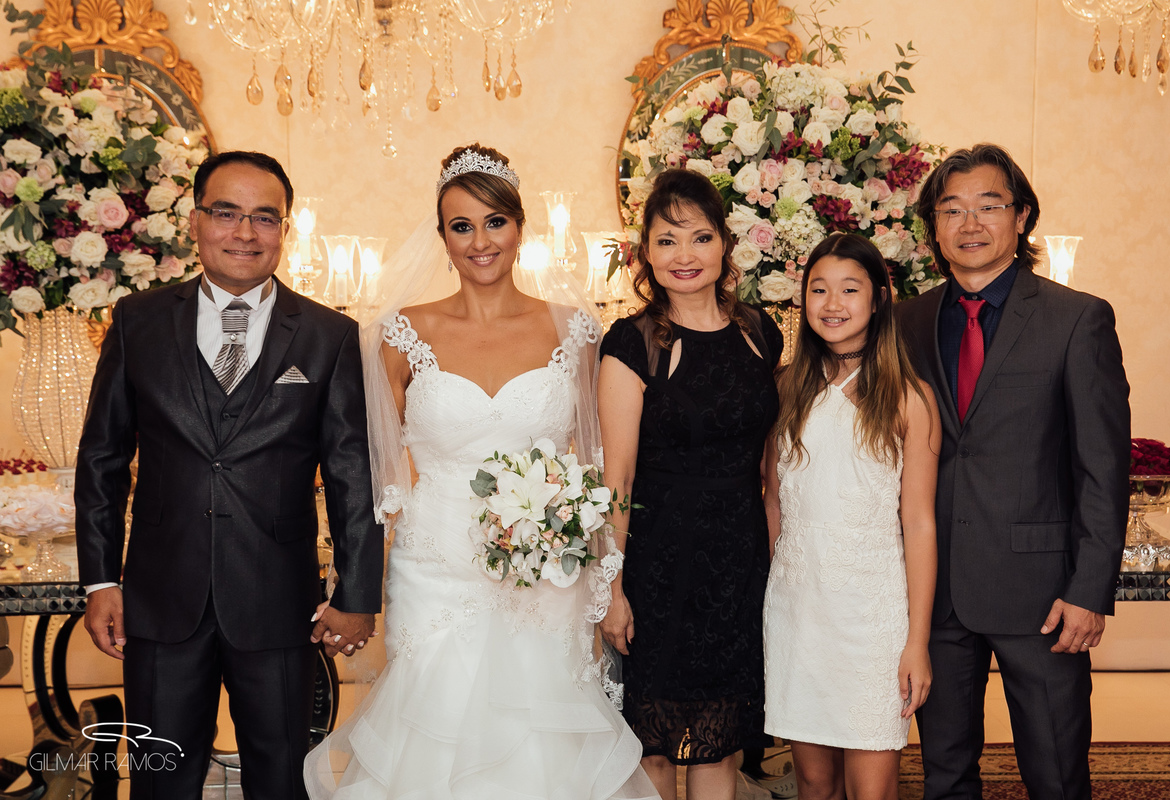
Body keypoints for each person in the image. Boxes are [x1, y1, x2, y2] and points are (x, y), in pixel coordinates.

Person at [303, 144, 657, 799]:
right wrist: (355, 584)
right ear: (441, 238)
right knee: (433, 722)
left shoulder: (577, 331)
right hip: (435, 566)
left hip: (549, 567)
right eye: (461, 226)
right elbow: (376, 474)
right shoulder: (399, 333)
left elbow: (595, 464)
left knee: (542, 733)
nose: (480, 241)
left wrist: (608, 574)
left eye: (495, 221)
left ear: (519, 228)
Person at [75, 150, 384, 799]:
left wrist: (358, 593)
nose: (245, 233)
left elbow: (354, 473)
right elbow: (102, 458)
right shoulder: (137, 321)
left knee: (280, 777)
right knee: (163, 779)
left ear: (284, 230)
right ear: (195, 222)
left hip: (278, 600)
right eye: (227, 213)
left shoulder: (329, 336)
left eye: (264, 218)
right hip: (160, 598)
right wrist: (102, 578)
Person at [895, 143, 1130, 800]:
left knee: (1055, 774)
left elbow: (1102, 466)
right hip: (933, 592)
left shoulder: (1075, 319)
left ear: (1021, 217)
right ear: (934, 228)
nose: (971, 224)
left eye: (989, 206)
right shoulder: (904, 322)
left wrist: (1090, 588)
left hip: (1043, 596)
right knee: (942, 774)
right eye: (952, 209)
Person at [598, 168, 783, 800]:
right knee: (653, 744)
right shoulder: (632, 342)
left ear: (724, 246)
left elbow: (771, 463)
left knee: (721, 738)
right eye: (667, 240)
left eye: (699, 238)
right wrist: (612, 587)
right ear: (645, 250)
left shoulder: (760, 332)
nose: (684, 256)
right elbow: (616, 479)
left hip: (738, 558)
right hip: (657, 561)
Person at [762, 233, 939, 800]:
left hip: (872, 619)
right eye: (818, 289)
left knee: (872, 787)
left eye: (849, 289)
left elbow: (920, 524)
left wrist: (916, 641)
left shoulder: (909, 397)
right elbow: (772, 500)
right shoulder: (786, 389)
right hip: (797, 612)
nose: (832, 303)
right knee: (813, 781)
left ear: (879, 299)